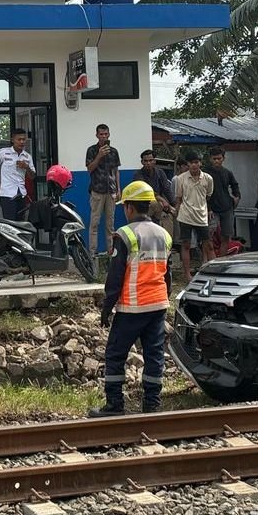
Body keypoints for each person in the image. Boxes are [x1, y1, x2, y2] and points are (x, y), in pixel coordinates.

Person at [88, 181, 172, 418]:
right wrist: (166, 296)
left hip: (133, 306)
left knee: (116, 354)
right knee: (154, 355)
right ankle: (152, 405)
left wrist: (107, 307)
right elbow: (168, 272)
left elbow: (115, 276)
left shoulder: (124, 235)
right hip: (158, 305)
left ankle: (115, 404)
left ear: (129, 208)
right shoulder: (163, 234)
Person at [172, 151, 214, 281]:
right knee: (186, 245)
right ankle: (187, 274)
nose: (194, 165)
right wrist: (177, 211)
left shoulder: (208, 178)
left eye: (196, 162)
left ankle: (214, 272)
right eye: (191, 163)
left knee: (208, 245)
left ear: (200, 163)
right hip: (185, 216)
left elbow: (208, 196)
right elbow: (178, 198)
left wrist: (207, 210)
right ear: (187, 164)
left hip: (201, 216)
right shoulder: (181, 179)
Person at [84, 123, 122, 256]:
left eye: (106, 134)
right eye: (101, 134)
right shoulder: (92, 150)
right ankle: (92, 253)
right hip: (97, 190)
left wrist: (119, 189)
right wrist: (99, 156)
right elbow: (89, 169)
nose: (104, 137)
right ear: (96, 135)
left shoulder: (114, 151)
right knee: (94, 223)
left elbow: (116, 171)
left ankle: (110, 252)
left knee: (110, 225)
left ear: (109, 135)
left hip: (111, 191)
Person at [0, 127, 35, 221]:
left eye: (24, 139)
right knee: (9, 222)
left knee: (21, 222)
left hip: (22, 194)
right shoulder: (3, 153)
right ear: (12, 140)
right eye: (19, 139)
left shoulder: (27, 156)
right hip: (7, 194)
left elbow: (32, 176)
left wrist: (26, 167)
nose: (22, 142)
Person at [205, 148, 241, 257]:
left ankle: (222, 260)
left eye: (219, 158)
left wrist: (237, 197)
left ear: (223, 159)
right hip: (212, 209)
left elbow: (235, 185)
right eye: (214, 159)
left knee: (226, 236)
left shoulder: (227, 172)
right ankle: (209, 260)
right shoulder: (205, 173)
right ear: (210, 159)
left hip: (227, 207)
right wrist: (208, 208)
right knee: (208, 236)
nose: (216, 161)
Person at [134, 149, 176, 236]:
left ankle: (168, 245)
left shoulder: (160, 172)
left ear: (154, 161)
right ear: (142, 162)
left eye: (150, 160)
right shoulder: (138, 175)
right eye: (146, 161)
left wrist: (174, 205)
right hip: (143, 207)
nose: (148, 163)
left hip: (160, 205)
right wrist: (163, 201)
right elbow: (147, 192)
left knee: (169, 216)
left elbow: (167, 189)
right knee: (155, 204)